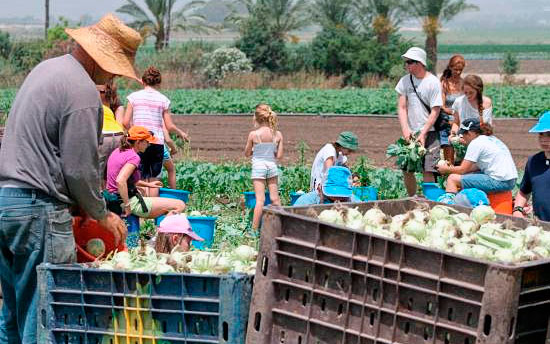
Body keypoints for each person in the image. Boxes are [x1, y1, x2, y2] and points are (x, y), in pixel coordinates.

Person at [0, 14, 136, 343]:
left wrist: (82, 206)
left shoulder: (47, 69)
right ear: (96, 56)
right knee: (44, 310)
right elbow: (79, 168)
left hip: (6, 202)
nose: (114, 74)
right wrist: (101, 213)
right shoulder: (82, 92)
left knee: (14, 312)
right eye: (113, 65)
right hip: (37, 210)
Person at [123, 66, 188, 197]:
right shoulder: (163, 99)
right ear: (158, 82)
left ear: (143, 81)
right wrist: (181, 133)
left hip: (139, 142)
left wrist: (134, 134)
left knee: (139, 177)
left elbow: (125, 122)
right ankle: (152, 211)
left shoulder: (133, 97)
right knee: (154, 179)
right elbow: (169, 126)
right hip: (156, 142)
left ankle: (142, 212)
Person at [104, 126, 186, 219]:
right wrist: (127, 206)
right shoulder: (133, 157)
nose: (149, 144)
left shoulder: (118, 151)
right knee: (180, 204)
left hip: (113, 198)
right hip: (125, 201)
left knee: (143, 192)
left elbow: (124, 179)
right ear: (138, 142)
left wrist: (149, 185)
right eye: (147, 142)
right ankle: (164, 231)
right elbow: (120, 180)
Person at [395, 47, 443, 196]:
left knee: (428, 168)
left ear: (420, 63)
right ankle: (412, 198)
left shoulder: (433, 82)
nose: (407, 65)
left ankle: (430, 200)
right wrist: (406, 131)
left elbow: (436, 110)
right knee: (407, 168)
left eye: (410, 62)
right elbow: (402, 107)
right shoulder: (404, 81)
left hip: (431, 133)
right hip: (411, 132)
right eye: (406, 62)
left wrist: (423, 133)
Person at [436, 118, 517, 199]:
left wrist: (446, 169)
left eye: (463, 134)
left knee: (452, 178)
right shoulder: (491, 139)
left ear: (470, 133)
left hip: (499, 181)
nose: (462, 138)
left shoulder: (476, 143)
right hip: (510, 180)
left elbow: (462, 170)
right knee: (465, 176)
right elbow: (476, 167)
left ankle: (450, 205)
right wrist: (455, 170)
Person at [244, 104, 283, 230]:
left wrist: (256, 149)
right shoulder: (278, 134)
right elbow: (279, 155)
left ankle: (254, 231)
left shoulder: (253, 135)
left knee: (260, 200)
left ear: (256, 119)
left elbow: (247, 153)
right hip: (272, 167)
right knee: (275, 199)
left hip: (259, 167)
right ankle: (283, 226)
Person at [513, 111, 550, 221]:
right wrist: (517, 210)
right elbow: (524, 191)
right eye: (541, 134)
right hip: (540, 227)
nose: (544, 139)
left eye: (549, 134)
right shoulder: (533, 161)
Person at [440, 55, 466, 164]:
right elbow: (441, 106)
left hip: (461, 123)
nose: (458, 72)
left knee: (462, 156)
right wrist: (453, 114)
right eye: (456, 69)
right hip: (447, 122)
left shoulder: (464, 83)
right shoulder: (444, 83)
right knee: (449, 158)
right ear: (450, 68)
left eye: (460, 70)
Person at [98, 79, 125, 181]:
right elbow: (120, 125)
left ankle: (100, 194)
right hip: (118, 135)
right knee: (112, 171)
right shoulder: (117, 104)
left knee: (98, 173)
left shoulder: (94, 104)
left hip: (104, 135)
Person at [295, 166, 361, 206]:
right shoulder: (305, 203)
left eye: (342, 198)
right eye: (332, 198)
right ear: (319, 188)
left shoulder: (355, 203)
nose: (337, 201)